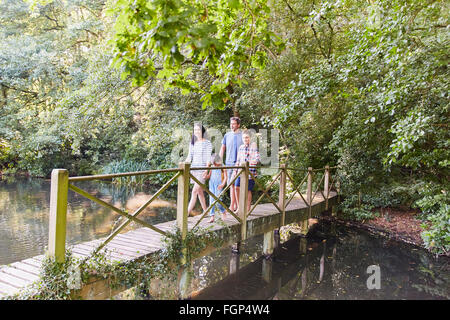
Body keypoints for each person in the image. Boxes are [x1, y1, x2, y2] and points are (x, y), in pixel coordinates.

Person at [185, 123, 212, 216]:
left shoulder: (207, 143)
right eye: (195, 130)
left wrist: (206, 170)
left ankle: (186, 214)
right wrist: (185, 165)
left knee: (194, 191)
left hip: (202, 170)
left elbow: (208, 158)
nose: (196, 131)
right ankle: (206, 212)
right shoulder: (192, 142)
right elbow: (189, 156)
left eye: (198, 130)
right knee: (200, 192)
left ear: (202, 131)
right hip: (193, 169)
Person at [219, 117, 243, 213]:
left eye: (234, 124)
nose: (232, 125)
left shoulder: (242, 135)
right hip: (229, 163)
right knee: (230, 185)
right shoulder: (227, 135)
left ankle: (238, 206)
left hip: (240, 164)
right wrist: (220, 160)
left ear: (238, 125)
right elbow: (222, 148)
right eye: (231, 123)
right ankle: (232, 205)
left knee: (237, 185)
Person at [234, 130, 260, 213]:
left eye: (247, 137)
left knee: (248, 190)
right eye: (244, 137)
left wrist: (254, 161)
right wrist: (235, 170)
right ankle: (239, 207)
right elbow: (238, 160)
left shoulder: (253, 146)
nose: (246, 139)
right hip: (240, 172)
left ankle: (248, 209)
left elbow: (257, 157)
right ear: (242, 138)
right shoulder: (241, 147)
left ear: (250, 138)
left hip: (250, 172)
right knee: (236, 187)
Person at [205, 154, 227, 223]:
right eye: (213, 163)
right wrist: (206, 176)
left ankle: (223, 211)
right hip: (212, 184)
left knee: (218, 200)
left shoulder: (222, 166)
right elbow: (209, 175)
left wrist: (223, 184)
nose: (214, 165)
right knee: (211, 201)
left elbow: (226, 177)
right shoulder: (212, 166)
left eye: (215, 163)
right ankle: (212, 216)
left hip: (219, 185)